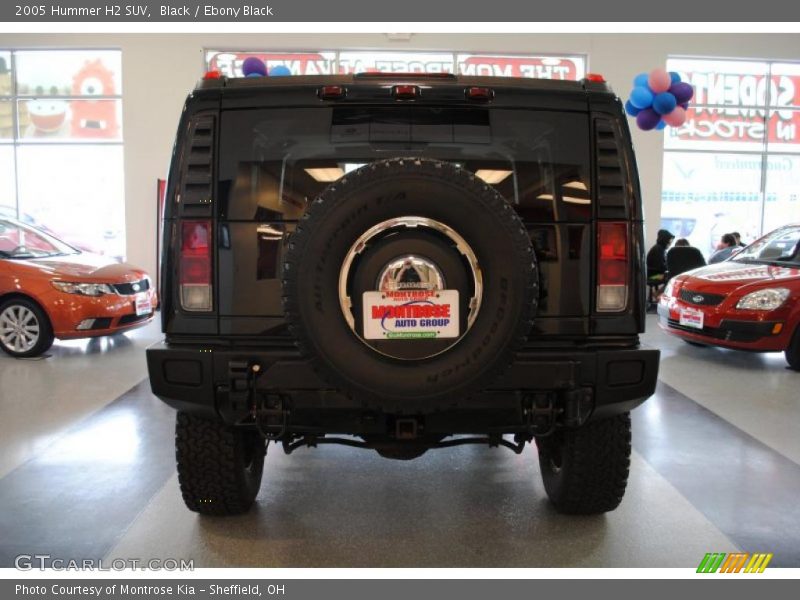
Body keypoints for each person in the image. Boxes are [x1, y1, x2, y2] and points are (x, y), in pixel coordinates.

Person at [646, 229, 675, 310]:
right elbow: (660, 267)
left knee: (670, 277)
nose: (670, 243)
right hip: (653, 276)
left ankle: (658, 293)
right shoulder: (658, 250)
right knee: (671, 279)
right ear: (665, 240)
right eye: (669, 241)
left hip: (653, 274)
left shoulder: (658, 248)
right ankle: (658, 294)